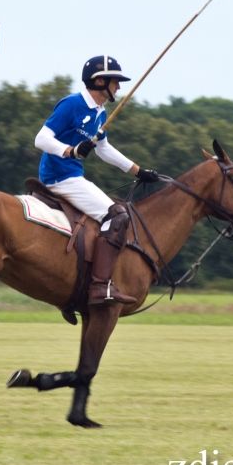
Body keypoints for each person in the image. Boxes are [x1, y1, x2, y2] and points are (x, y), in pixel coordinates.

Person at [34, 55, 161, 305]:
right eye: (115, 81)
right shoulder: (72, 104)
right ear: (100, 81)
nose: (119, 87)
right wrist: (70, 151)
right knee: (117, 215)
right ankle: (100, 285)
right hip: (60, 177)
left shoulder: (100, 114)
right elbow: (40, 139)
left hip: (72, 176)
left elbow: (104, 149)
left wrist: (138, 170)